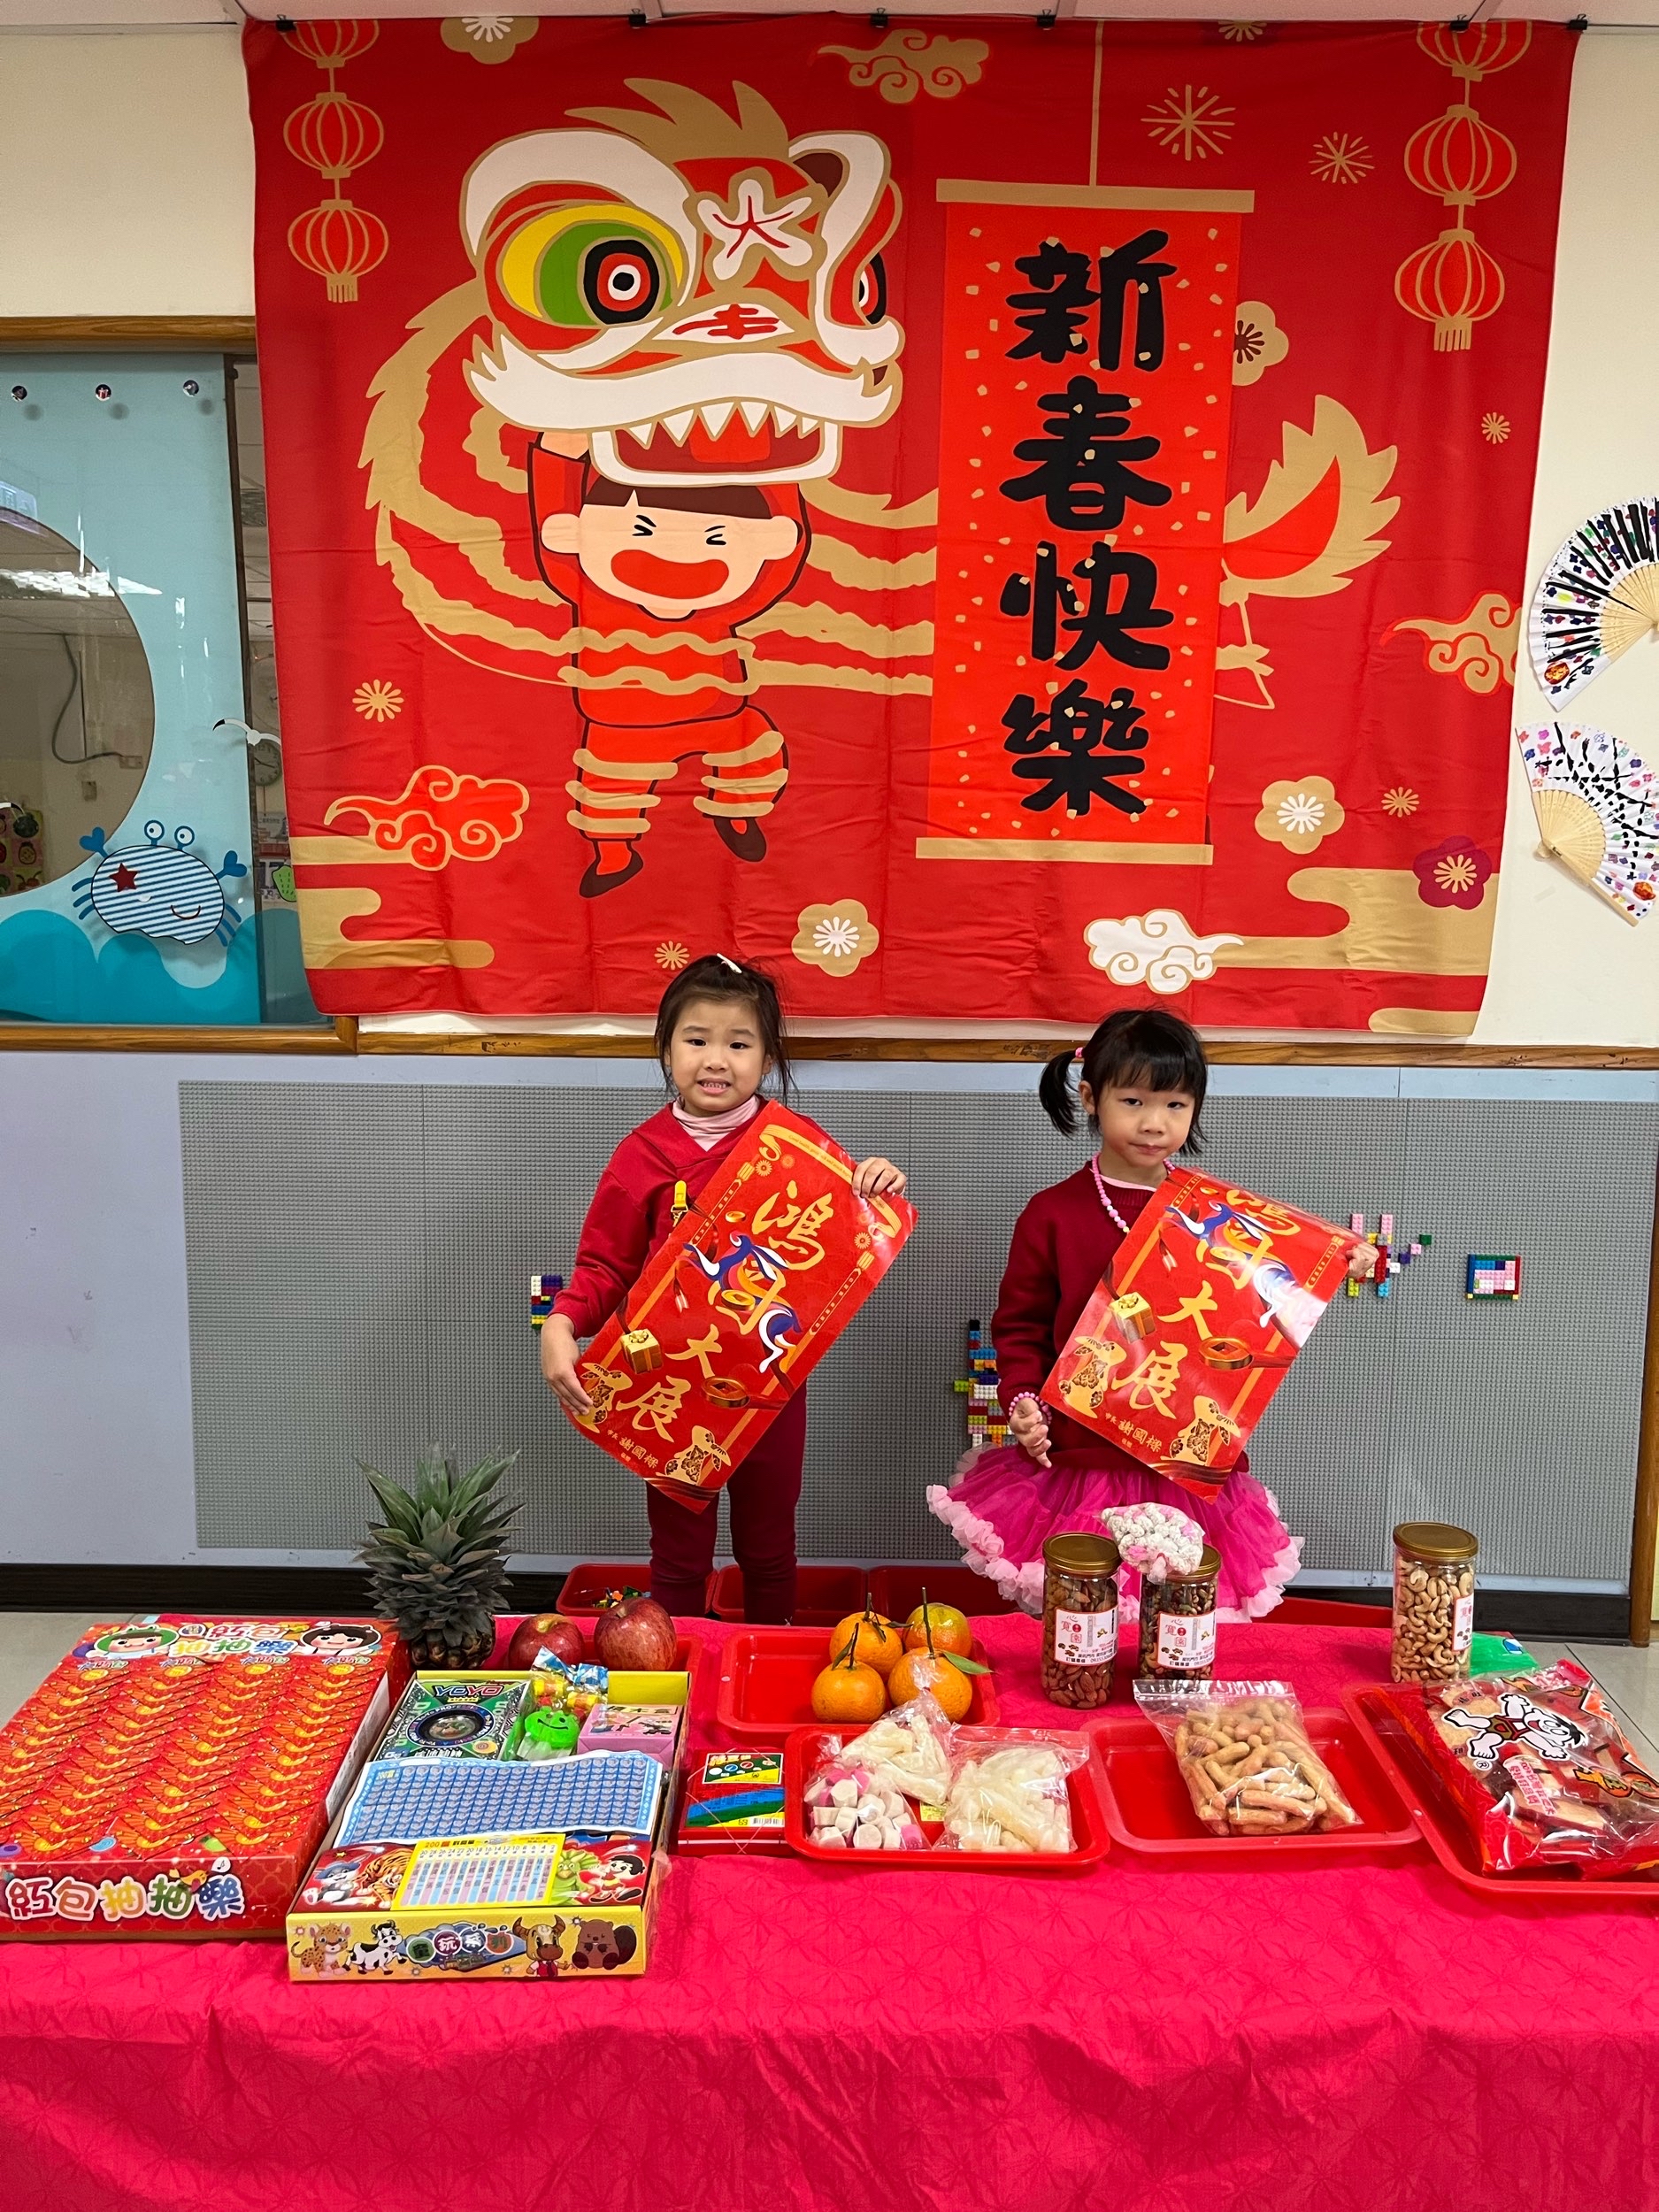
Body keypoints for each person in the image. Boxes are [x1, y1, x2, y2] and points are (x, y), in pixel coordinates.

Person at [927, 1007, 1375, 1619]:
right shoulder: (1052, 1213)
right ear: (1091, 1097)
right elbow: (1020, 1326)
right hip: (1078, 1458)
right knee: (1079, 1617)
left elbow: (1276, 1272)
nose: (1154, 1123)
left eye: (1174, 1104)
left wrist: (1339, 1257)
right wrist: (1023, 1400)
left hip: (1181, 1461)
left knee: (1176, 1623)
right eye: (1133, 1101)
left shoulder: (1215, 1216)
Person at [540, 953, 906, 1622]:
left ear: (766, 1058)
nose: (716, 1060)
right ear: (666, 1049)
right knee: (678, 1556)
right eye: (696, 1040)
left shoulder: (792, 1147)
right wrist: (561, 1324)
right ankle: (676, 1665)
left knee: (769, 1546)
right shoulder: (641, 1155)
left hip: (767, 1387)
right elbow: (603, 1269)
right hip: (668, 1385)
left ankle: (769, 1649)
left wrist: (873, 1181)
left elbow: (848, 1230)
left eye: (738, 1044)